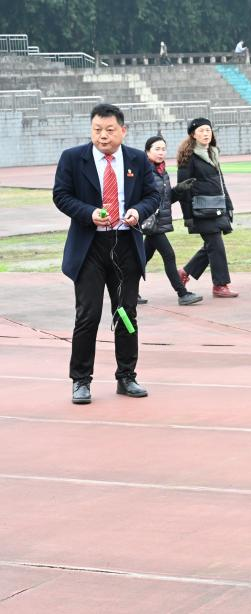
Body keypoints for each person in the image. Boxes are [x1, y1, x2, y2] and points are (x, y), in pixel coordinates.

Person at [53, 103, 159, 404]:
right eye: (97, 130)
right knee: (88, 314)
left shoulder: (137, 159)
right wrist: (88, 213)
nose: (103, 136)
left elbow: (153, 194)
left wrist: (138, 211)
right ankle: (81, 380)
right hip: (90, 247)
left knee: (126, 313)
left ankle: (126, 376)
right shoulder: (74, 158)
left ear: (122, 130)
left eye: (109, 130)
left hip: (125, 245)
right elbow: (61, 195)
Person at [176, 118, 239, 298]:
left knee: (212, 245)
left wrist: (229, 204)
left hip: (217, 206)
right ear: (193, 134)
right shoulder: (188, 157)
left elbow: (220, 182)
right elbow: (183, 189)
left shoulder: (212, 153)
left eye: (208, 130)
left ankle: (184, 273)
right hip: (201, 210)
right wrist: (187, 216)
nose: (206, 133)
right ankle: (220, 285)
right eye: (201, 130)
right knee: (216, 245)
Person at [139, 135, 202, 306]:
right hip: (152, 221)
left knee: (142, 258)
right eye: (157, 149)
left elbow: (165, 199)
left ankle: (127, 290)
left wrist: (179, 190)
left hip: (158, 221)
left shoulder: (162, 171)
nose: (161, 153)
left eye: (163, 149)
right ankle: (182, 293)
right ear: (147, 152)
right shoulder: (144, 172)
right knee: (169, 255)